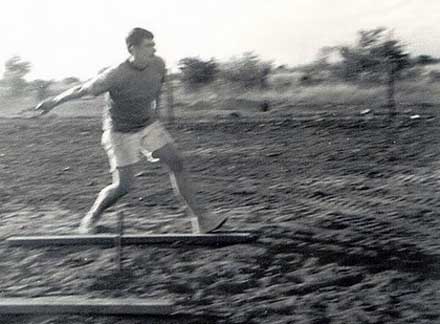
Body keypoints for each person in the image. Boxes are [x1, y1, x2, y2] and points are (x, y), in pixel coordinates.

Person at [34, 27, 228, 234]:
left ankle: (202, 219)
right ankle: (91, 218)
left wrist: (156, 114)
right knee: (124, 186)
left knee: (177, 162)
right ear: (132, 49)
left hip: (147, 124)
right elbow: (81, 89)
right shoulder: (115, 74)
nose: (153, 49)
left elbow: (156, 89)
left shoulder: (158, 64)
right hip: (120, 132)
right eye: (147, 45)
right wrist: (53, 101)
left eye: (154, 44)